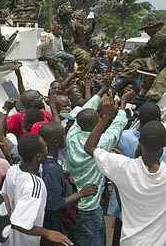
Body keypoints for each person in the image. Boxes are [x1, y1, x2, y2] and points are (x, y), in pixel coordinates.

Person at [84, 97, 166, 245]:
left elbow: (89, 147)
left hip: (130, 241)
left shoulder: (123, 167)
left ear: (139, 144)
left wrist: (106, 117)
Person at [64, 83, 131, 246]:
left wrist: (100, 92)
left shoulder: (71, 135)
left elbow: (83, 111)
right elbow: (117, 126)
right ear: (96, 125)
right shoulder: (102, 142)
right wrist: (122, 105)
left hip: (70, 202)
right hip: (89, 208)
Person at [2, 134, 72, 246]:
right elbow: (19, 223)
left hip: (8, 239)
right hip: (24, 242)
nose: (47, 148)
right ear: (38, 156)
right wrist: (48, 233)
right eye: (45, 147)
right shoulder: (35, 185)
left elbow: (5, 200)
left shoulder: (12, 170)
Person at [38, 122, 98, 245]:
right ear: (56, 142)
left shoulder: (46, 163)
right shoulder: (52, 169)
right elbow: (53, 204)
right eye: (63, 136)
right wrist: (80, 194)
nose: (65, 138)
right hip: (56, 227)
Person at [117, 12, 166, 102]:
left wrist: (132, 55)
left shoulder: (161, 34)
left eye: (146, 29)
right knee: (139, 62)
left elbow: (148, 47)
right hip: (159, 62)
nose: (146, 32)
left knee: (161, 79)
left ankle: (151, 101)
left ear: (153, 25)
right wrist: (129, 57)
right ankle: (122, 81)